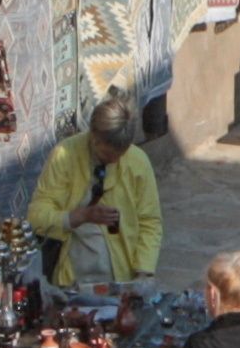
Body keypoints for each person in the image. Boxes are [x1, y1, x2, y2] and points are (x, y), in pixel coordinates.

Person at [28, 96, 164, 288]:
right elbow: (36, 217)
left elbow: (150, 221)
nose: (114, 162)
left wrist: (144, 271)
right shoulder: (64, 156)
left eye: (120, 156)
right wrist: (78, 217)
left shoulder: (138, 162)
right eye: (107, 156)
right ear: (94, 137)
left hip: (120, 279)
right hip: (71, 279)